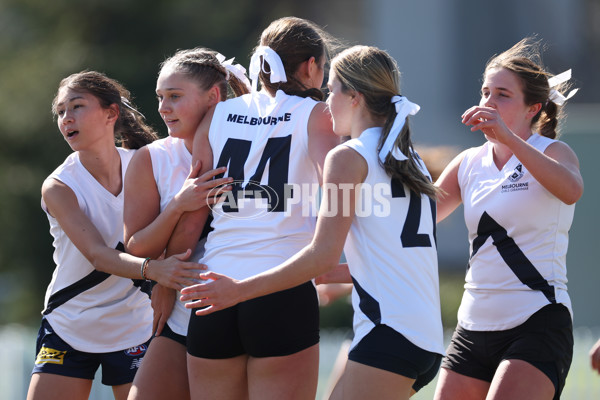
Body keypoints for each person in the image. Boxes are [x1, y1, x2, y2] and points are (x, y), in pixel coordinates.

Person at [180, 44, 446, 400]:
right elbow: (388, 254)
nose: (325, 98)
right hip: (422, 335)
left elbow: (321, 255)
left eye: (332, 89)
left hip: (389, 334)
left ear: (354, 96)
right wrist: (325, 274)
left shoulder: (348, 157)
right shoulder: (406, 155)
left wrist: (238, 290)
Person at [167, 16, 340, 400]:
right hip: (281, 286)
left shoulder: (218, 115)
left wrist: (167, 280)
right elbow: (341, 193)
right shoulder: (318, 116)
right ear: (311, 65)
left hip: (212, 289)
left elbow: (194, 215)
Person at [27, 71, 206, 400]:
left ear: (110, 113)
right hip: (71, 323)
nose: (66, 118)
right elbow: (97, 255)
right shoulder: (59, 185)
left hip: (135, 324)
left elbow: (167, 234)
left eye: (76, 106)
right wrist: (155, 271)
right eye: (61, 111)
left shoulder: (144, 162)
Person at [432, 38, 583, 400]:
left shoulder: (553, 151)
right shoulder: (469, 162)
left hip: (537, 321)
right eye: (485, 92)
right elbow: (414, 222)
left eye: (502, 94)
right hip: (472, 326)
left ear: (533, 107)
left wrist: (511, 139)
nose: (488, 102)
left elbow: (571, 190)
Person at [122, 47, 250, 400]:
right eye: (161, 97)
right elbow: (136, 247)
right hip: (179, 312)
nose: (163, 108)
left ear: (213, 97)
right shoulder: (153, 158)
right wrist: (179, 205)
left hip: (239, 306)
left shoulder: (253, 147)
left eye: (175, 97)